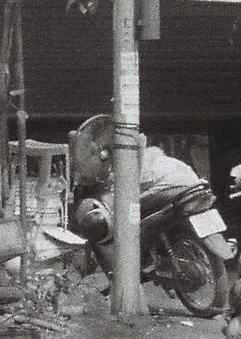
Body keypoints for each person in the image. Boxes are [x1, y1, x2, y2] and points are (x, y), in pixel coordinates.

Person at [69, 115, 203, 279]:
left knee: (125, 216)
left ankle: (130, 266)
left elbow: (128, 187)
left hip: (173, 192)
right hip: (195, 185)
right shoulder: (156, 157)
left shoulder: (132, 163)